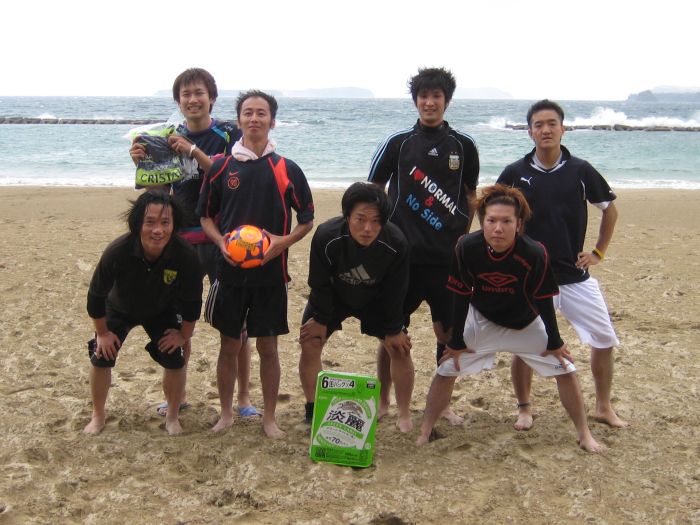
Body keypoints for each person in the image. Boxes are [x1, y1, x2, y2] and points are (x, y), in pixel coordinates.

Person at [416, 185, 604, 453]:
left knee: (566, 368)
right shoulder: (466, 246)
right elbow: (460, 293)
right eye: (491, 220)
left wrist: (554, 340)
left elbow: (544, 298)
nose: (498, 229)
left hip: (525, 323)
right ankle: (425, 431)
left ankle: (584, 435)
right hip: (483, 320)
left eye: (506, 221)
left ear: (519, 224)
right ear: (483, 221)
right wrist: (456, 340)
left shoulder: (534, 252)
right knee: (447, 367)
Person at [129, 68, 258, 419]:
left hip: (224, 240)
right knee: (177, 323)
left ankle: (244, 398)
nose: (193, 99)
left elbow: (237, 177)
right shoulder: (169, 137)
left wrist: (194, 152)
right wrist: (143, 164)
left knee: (235, 325)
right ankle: (179, 395)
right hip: (182, 242)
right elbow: (160, 192)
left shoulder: (229, 134)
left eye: (199, 92)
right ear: (178, 101)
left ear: (212, 98)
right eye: (185, 94)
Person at [497, 99, 626, 429]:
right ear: (529, 132)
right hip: (530, 277)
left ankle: (603, 406)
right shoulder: (514, 172)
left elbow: (609, 209)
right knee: (524, 345)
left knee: (604, 339)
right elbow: (496, 214)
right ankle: (524, 408)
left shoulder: (580, 170)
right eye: (538, 125)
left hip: (574, 275)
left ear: (563, 129)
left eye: (552, 123)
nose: (546, 130)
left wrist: (597, 253)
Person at [368, 67, 479, 432]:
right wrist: (380, 234)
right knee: (391, 333)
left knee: (447, 335)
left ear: (447, 101)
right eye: (424, 96)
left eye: (436, 96)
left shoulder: (463, 146)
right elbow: (374, 190)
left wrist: (463, 237)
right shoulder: (398, 142)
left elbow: (470, 196)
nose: (430, 102)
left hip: (446, 260)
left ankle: (442, 404)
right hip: (402, 259)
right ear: (415, 101)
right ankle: (384, 400)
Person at [197, 90, 314, 437]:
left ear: (272, 121)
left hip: (271, 275)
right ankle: (225, 414)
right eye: (248, 112)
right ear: (239, 120)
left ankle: (269, 418)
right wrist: (222, 243)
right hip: (230, 274)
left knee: (268, 347)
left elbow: (307, 220)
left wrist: (282, 243)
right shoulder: (222, 167)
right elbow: (205, 216)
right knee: (229, 345)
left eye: (261, 113)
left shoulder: (287, 169)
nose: (254, 119)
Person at [84, 190, 202, 436]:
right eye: (150, 222)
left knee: (175, 357)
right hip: (119, 307)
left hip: (162, 309)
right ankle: (98, 415)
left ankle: (172, 416)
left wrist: (184, 335)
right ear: (138, 223)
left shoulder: (185, 255)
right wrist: (102, 333)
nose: (158, 230)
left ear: (174, 225)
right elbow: (95, 296)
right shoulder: (118, 250)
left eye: (165, 222)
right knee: (101, 354)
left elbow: (192, 302)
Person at [298, 182, 411, 423]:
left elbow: (396, 290)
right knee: (310, 341)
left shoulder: (396, 242)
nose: (368, 228)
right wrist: (320, 318)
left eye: (376, 221)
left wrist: (394, 329)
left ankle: (403, 414)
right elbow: (319, 282)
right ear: (347, 216)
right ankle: (313, 409)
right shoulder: (327, 236)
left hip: (376, 298)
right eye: (360, 219)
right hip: (334, 296)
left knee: (399, 348)